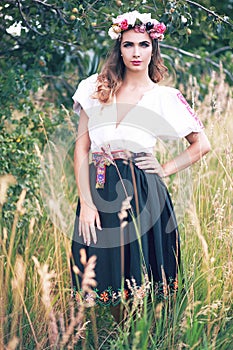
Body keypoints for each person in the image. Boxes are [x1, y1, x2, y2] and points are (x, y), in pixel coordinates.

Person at [70, 10, 211, 317]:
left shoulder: (165, 97)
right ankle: (113, 333)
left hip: (144, 190)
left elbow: (202, 144)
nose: (136, 52)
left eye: (143, 44)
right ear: (118, 48)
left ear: (153, 48)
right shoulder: (95, 88)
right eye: (129, 44)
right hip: (101, 186)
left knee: (142, 272)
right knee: (104, 267)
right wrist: (87, 202)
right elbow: (81, 148)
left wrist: (164, 169)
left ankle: (146, 335)